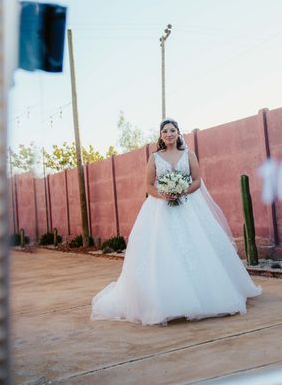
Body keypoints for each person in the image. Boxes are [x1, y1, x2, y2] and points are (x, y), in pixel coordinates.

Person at [91, 118, 262, 325]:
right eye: (165, 131)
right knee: (164, 249)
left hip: (189, 206)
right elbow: (148, 185)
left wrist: (182, 191)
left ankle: (210, 296)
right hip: (161, 209)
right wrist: (164, 196)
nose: (169, 134)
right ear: (161, 136)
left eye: (172, 130)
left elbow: (197, 181)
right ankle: (167, 302)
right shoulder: (154, 158)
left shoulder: (188, 155)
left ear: (179, 133)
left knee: (198, 246)